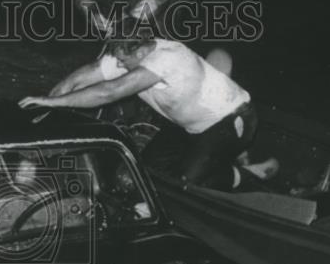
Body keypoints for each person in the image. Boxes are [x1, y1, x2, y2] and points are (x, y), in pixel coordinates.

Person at [20, 21, 277, 190]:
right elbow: (79, 78)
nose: (119, 66)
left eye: (123, 61)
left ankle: (246, 178)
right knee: (144, 176)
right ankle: (228, 168)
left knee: (181, 188)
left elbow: (111, 91)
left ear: (142, 53)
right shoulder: (130, 53)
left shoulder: (168, 58)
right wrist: (48, 107)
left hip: (231, 122)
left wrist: (54, 102)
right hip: (187, 124)